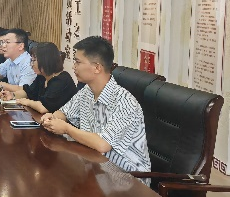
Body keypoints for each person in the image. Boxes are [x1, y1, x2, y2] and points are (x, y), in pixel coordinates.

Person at [41, 36, 151, 176]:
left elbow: (102, 144)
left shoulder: (125, 103)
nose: (73, 66)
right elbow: (63, 113)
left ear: (97, 68)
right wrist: (51, 117)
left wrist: (67, 129)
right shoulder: (87, 91)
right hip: (94, 167)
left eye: (78, 62)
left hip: (126, 178)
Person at [0, 42, 77, 113]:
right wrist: (12, 95)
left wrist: (27, 102)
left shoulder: (61, 80)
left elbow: (44, 108)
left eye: (34, 60)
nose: (31, 64)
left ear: (45, 61)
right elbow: (28, 92)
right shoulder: (42, 77)